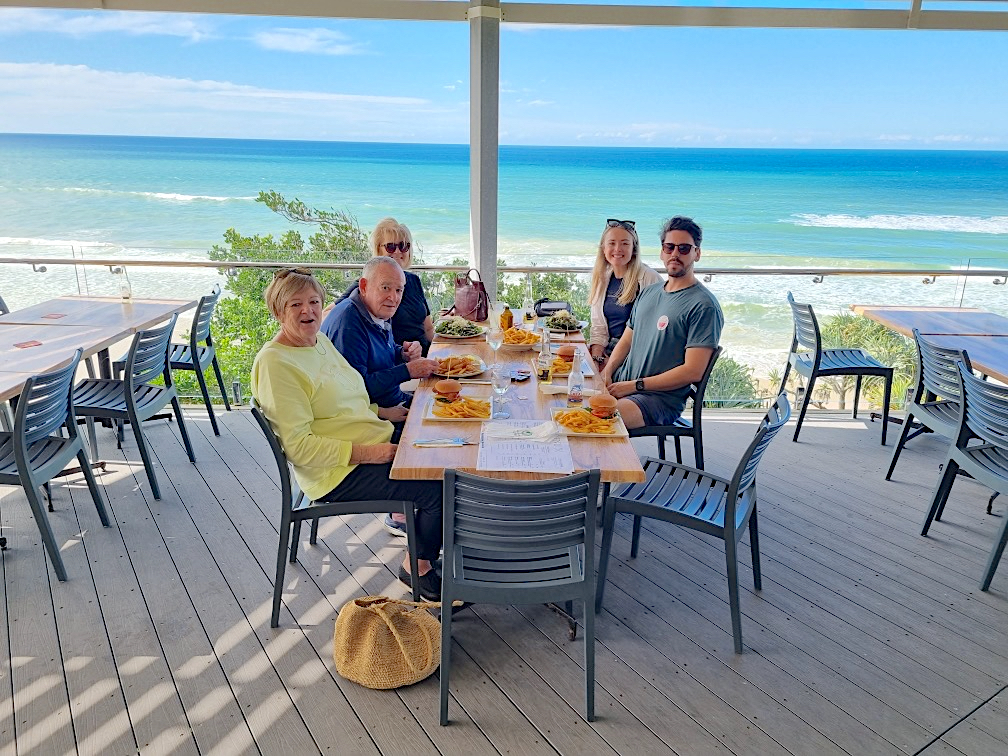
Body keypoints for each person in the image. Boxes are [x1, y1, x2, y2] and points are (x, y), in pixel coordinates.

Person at [250, 268, 443, 600]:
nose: (307, 311)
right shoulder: (276, 364)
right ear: (278, 311)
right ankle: (417, 567)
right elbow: (299, 448)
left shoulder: (318, 340)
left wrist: (384, 413)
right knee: (438, 481)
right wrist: (376, 453)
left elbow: (345, 398)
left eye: (313, 302)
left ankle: (444, 540)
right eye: (295, 305)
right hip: (338, 471)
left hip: (369, 436)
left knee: (438, 432)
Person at [600, 216, 723, 431]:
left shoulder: (703, 306)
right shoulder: (649, 292)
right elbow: (628, 339)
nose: (675, 254)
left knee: (598, 421)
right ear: (662, 251)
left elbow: (693, 371)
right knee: (564, 400)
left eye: (684, 248)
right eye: (669, 247)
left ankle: (614, 465)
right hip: (622, 385)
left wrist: (634, 386)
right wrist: (608, 370)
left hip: (657, 400)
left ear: (697, 254)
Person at [321, 256, 438, 412]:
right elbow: (356, 389)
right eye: (385, 288)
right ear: (364, 286)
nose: (394, 298)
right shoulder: (348, 323)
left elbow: (377, 355)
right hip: (376, 415)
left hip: (395, 398)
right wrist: (407, 370)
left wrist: (402, 353)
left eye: (399, 290)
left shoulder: (377, 311)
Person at [338, 218, 435, 356]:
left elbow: (428, 329)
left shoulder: (414, 280)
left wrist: (441, 353)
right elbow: (332, 314)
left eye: (403, 246)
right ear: (378, 249)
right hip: (397, 361)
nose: (397, 252)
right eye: (390, 246)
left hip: (425, 355)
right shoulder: (367, 285)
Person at [587, 218, 662, 369]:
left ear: (634, 249)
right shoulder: (602, 279)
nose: (617, 249)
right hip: (608, 353)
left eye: (625, 243)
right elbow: (598, 328)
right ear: (603, 248)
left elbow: (655, 333)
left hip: (636, 359)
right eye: (612, 243)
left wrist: (613, 364)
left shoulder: (649, 279)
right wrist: (596, 359)